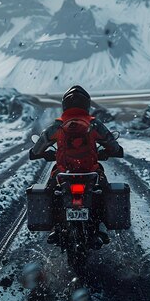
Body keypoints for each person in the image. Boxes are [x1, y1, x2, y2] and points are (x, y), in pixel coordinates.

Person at [29, 85, 123, 246]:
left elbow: (39, 146)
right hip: (90, 172)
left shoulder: (58, 126)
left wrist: (38, 153)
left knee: (51, 190)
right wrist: (114, 150)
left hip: (63, 172)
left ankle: (55, 227)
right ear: (87, 104)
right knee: (104, 191)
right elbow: (112, 145)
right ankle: (101, 226)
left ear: (65, 105)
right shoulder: (94, 124)